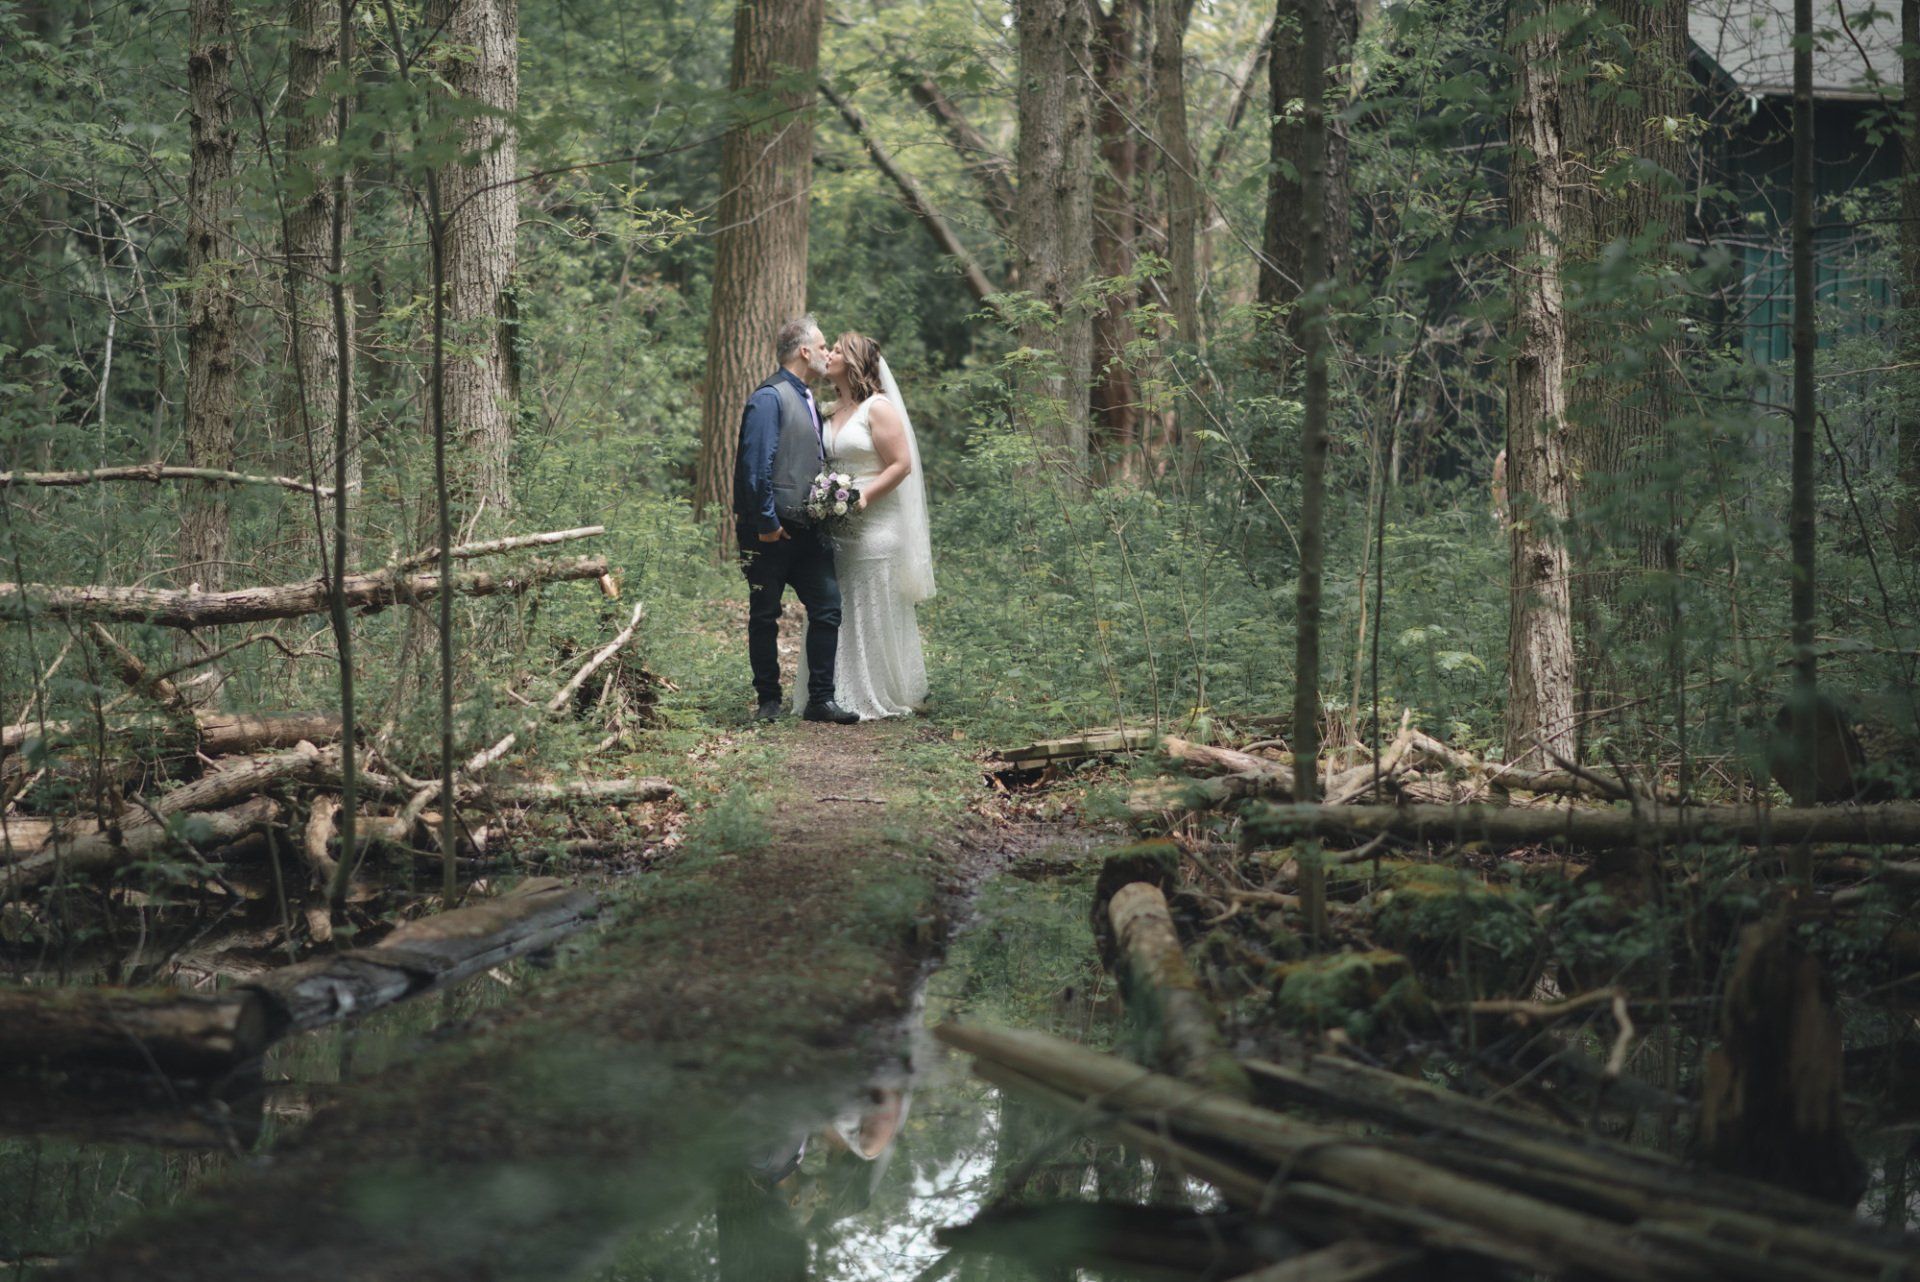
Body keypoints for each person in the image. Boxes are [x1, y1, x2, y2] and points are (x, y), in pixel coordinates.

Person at [733, 314, 860, 724]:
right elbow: (756, 466)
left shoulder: (807, 397)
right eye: (823, 346)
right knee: (765, 614)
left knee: (827, 608)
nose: (828, 353)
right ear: (805, 351)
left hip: (809, 529)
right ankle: (768, 701)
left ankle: (820, 700)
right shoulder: (769, 397)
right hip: (769, 532)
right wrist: (767, 524)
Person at [804, 332, 933, 719]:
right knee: (836, 604)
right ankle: (832, 690)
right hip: (838, 524)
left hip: (876, 521)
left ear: (856, 360)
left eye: (838, 350)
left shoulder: (878, 408)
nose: (829, 354)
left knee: (873, 602)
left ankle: (877, 690)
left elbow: (901, 464)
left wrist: (864, 497)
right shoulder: (829, 409)